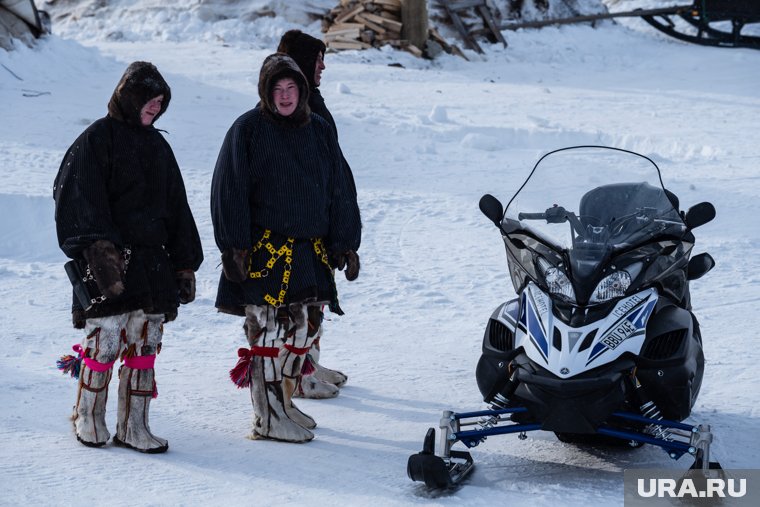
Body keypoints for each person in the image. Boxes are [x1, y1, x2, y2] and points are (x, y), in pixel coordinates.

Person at [54, 61, 204, 453]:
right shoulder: (96, 140)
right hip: (109, 267)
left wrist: (185, 263)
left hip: (153, 267)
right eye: (149, 100)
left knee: (145, 346)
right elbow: (74, 197)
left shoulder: (159, 146)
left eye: (160, 103)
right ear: (129, 96)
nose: (155, 108)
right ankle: (87, 416)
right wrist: (100, 252)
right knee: (104, 344)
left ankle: (134, 425)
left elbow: (178, 207)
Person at [211, 53, 361, 443]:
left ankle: (286, 401)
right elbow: (229, 191)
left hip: (309, 252)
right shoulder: (247, 130)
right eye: (276, 89)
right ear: (265, 92)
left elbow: (340, 188)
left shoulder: (320, 130)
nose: (284, 96)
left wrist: (345, 243)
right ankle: (267, 417)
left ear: (303, 90)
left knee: (302, 333)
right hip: (265, 254)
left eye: (291, 88)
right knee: (269, 334)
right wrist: (234, 248)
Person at [277, 29, 359, 399]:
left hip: (319, 220)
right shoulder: (288, 109)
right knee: (297, 301)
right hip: (296, 226)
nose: (323, 66)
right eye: (317, 59)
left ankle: (309, 361)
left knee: (316, 296)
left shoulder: (313, 101)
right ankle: (295, 375)